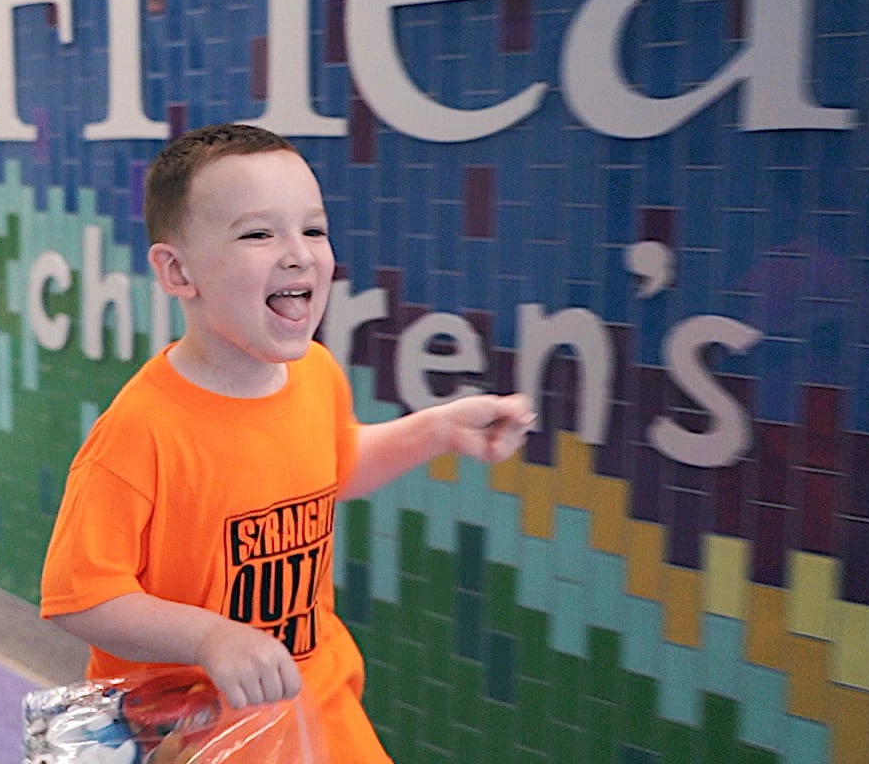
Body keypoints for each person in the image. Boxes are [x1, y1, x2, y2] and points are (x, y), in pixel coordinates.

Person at [39, 123, 536, 762]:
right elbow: (81, 594)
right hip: (193, 734)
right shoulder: (143, 429)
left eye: (314, 229)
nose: (299, 253)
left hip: (315, 704)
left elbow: (332, 465)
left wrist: (436, 429)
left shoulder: (316, 375)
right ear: (177, 271)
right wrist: (210, 638)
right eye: (258, 233)